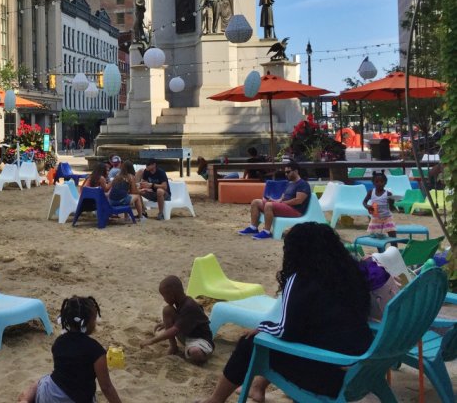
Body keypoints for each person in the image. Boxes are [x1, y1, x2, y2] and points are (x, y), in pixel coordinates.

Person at [195, 222, 373, 403]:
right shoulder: (350, 275)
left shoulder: (302, 278)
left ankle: (215, 400)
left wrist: (263, 327)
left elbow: (286, 330)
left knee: (250, 343)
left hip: (331, 379)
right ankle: (257, 388)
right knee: (284, 338)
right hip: (362, 373)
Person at [18, 296, 122, 403]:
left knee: (40, 383)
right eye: (94, 319)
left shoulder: (59, 342)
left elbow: (66, 370)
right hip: (77, 399)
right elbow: (106, 387)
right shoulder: (96, 351)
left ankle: (25, 400)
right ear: (87, 322)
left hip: (49, 395)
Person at [140, 275, 213, 364]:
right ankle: (173, 347)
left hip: (200, 339)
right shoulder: (180, 303)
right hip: (187, 335)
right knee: (167, 310)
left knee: (195, 352)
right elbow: (183, 319)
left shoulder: (189, 305)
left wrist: (152, 341)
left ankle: (202, 354)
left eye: (165, 296)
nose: (164, 299)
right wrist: (166, 323)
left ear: (172, 294)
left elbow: (174, 330)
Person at [239, 160, 311, 240]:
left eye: (288, 172)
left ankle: (266, 232)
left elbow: (298, 200)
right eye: (285, 172)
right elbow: (283, 198)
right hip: (286, 206)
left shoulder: (303, 184)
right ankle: (253, 227)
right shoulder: (290, 183)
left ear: (296, 171)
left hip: (296, 210)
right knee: (256, 202)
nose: (286, 174)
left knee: (269, 205)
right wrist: (275, 200)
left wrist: (283, 203)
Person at [363, 171, 397, 237]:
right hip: (375, 219)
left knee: (392, 237)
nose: (379, 183)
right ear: (373, 183)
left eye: (382, 182)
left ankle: (394, 247)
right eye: (377, 182)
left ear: (385, 183)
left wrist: (392, 202)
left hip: (387, 218)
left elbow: (391, 208)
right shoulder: (371, 192)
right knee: (377, 238)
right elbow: (364, 202)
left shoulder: (388, 194)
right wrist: (368, 207)